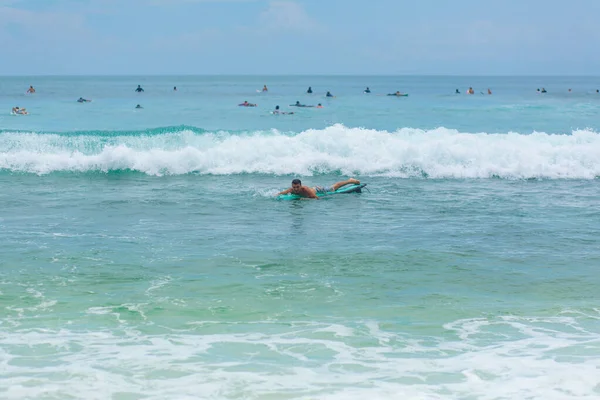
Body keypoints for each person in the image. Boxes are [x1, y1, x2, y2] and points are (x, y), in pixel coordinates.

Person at [276, 178, 360, 199]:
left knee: (334, 187)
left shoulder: (305, 189)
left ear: (301, 186)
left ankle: (350, 181)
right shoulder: (291, 190)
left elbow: (316, 198)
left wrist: (305, 199)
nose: (296, 189)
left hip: (317, 190)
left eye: (297, 187)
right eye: (294, 187)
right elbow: (280, 193)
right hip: (313, 190)